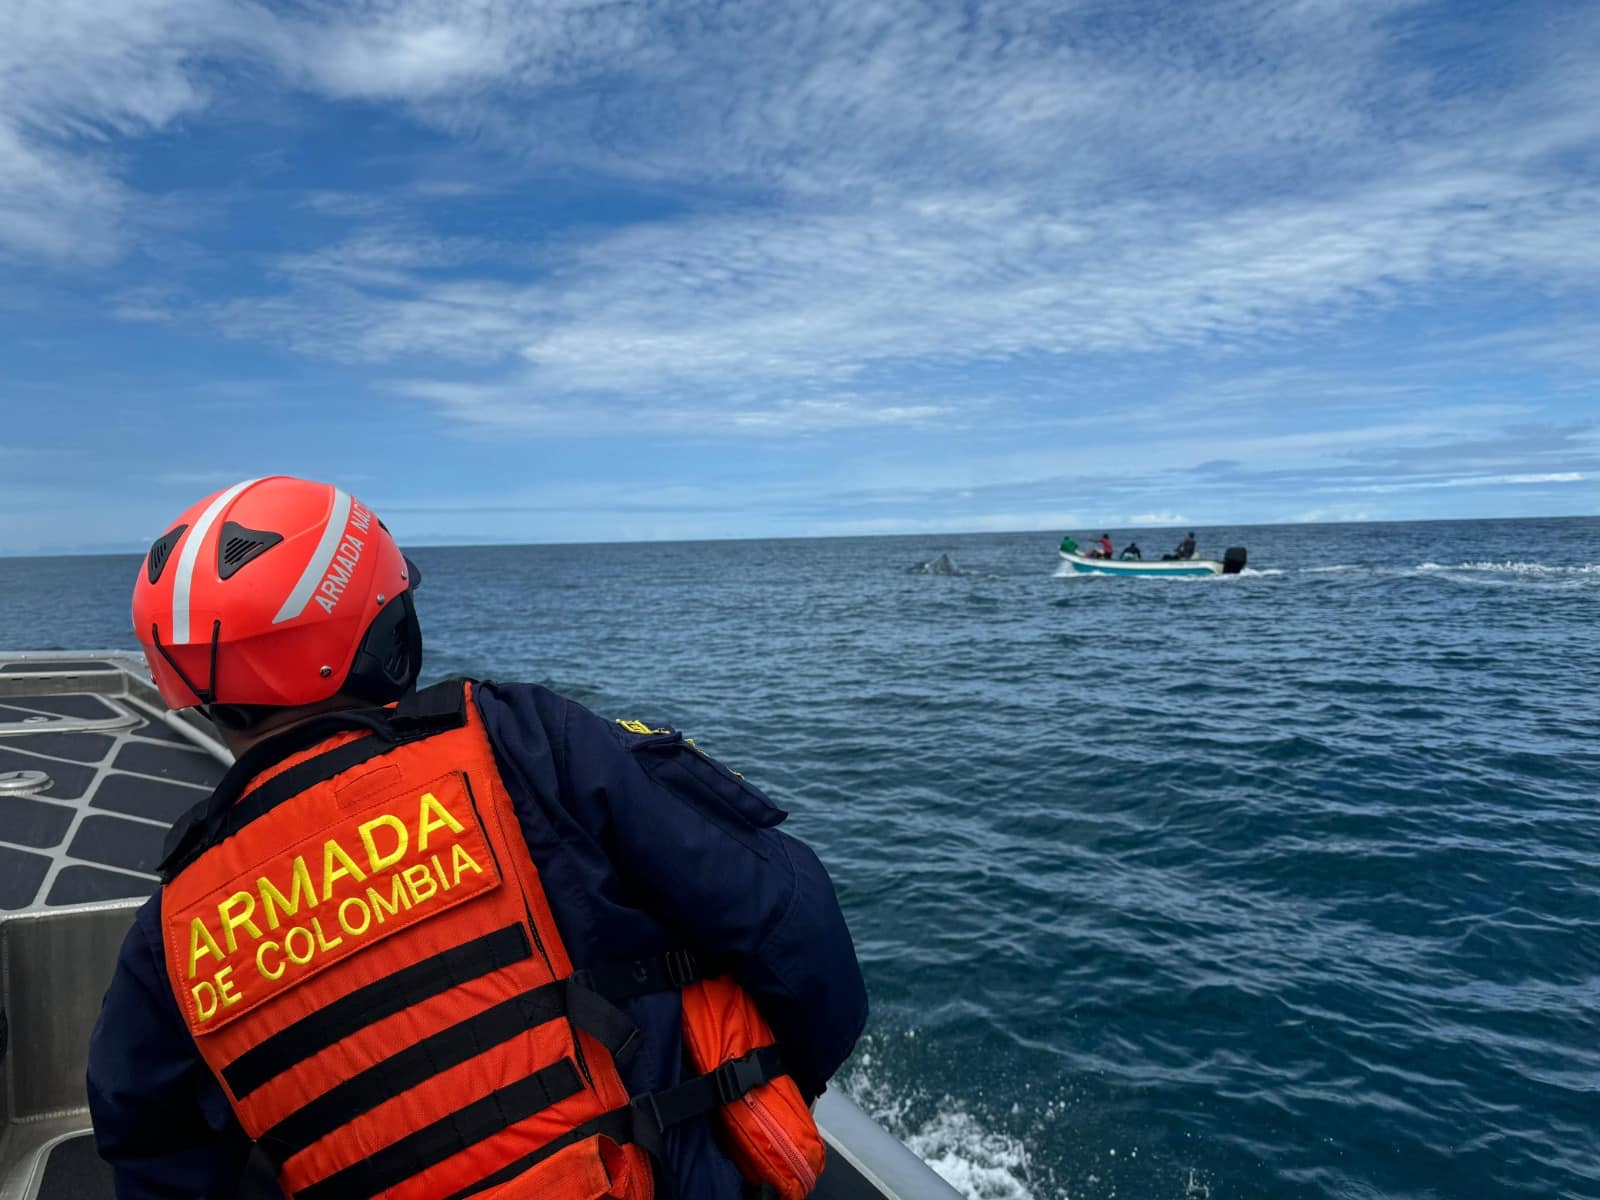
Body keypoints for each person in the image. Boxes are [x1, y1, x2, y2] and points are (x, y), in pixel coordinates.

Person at [88, 476, 867, 1200]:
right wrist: (759, 1098)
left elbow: (153, 1153)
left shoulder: (171, 933)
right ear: (389, 639)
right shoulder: (519, 741)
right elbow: (788, 918)